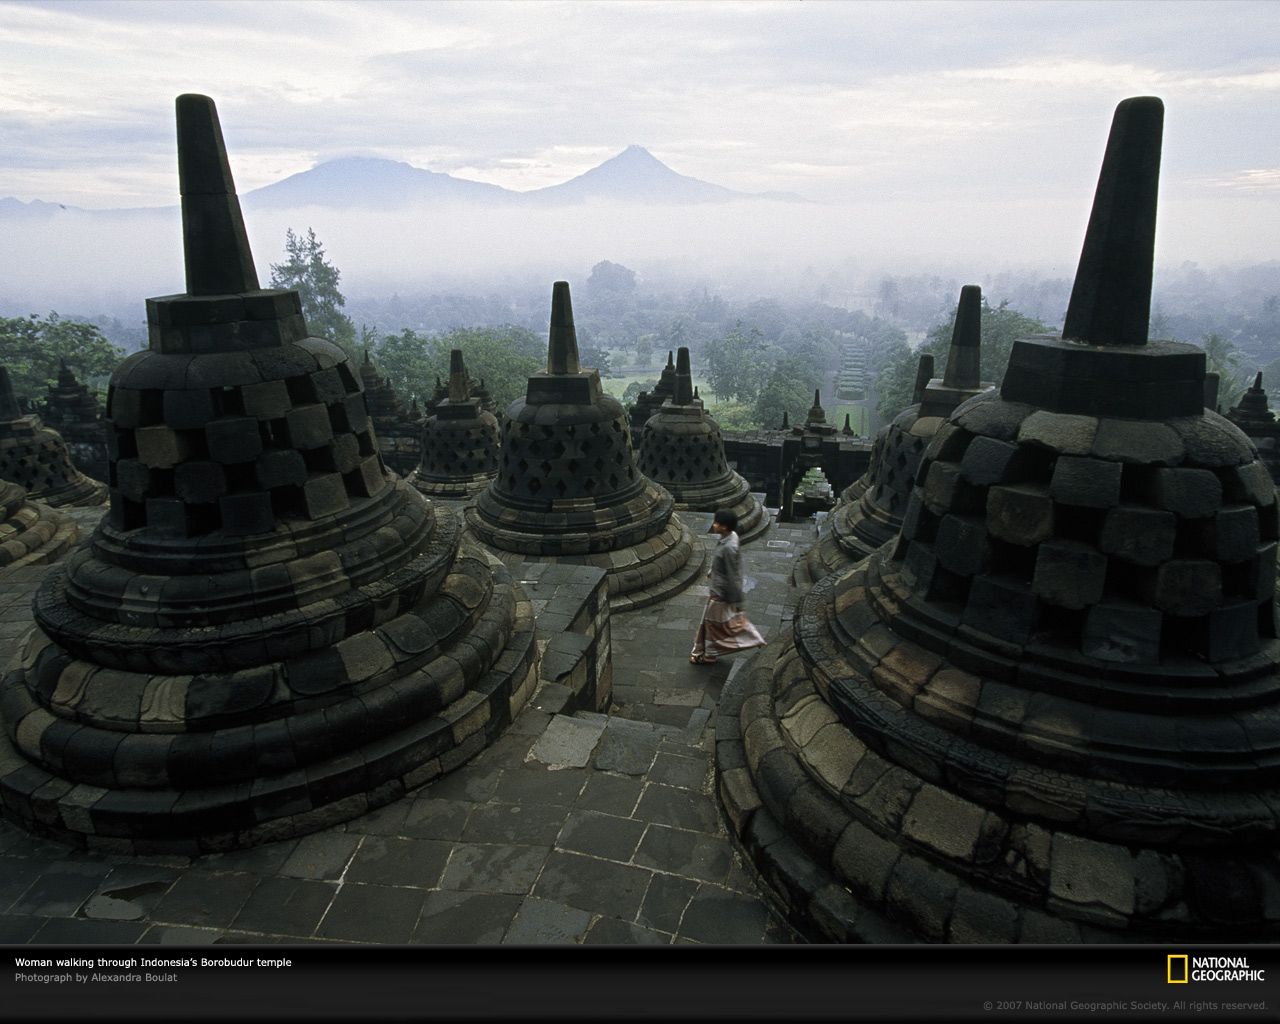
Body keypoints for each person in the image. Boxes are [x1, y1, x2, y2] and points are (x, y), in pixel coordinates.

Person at [691, 508, 767, 665]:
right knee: (711, 622)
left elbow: (732, 576)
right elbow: (724, 564)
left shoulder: (729, 547)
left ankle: (710, 654)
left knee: (713, 624)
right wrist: (713, 571)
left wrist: (737, 603)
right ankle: (702, 651)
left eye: (717, 523)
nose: (714, 525)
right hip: (719, 588)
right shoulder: (730, 537)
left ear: (724, 527)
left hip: (721, 593)